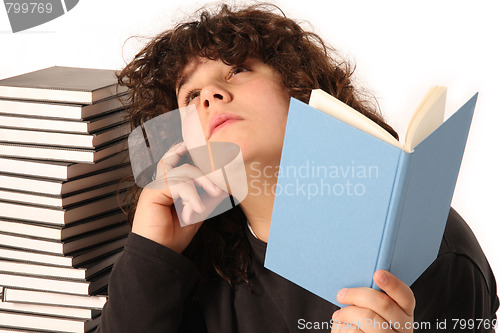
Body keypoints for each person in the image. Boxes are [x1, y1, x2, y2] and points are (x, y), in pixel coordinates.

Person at [97, 3, 499, 332]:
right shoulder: (188, 256)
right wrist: (150, 255)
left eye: (237, 69)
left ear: (299, 86)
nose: (211, 96)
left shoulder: (432, 250)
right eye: (191, 95)